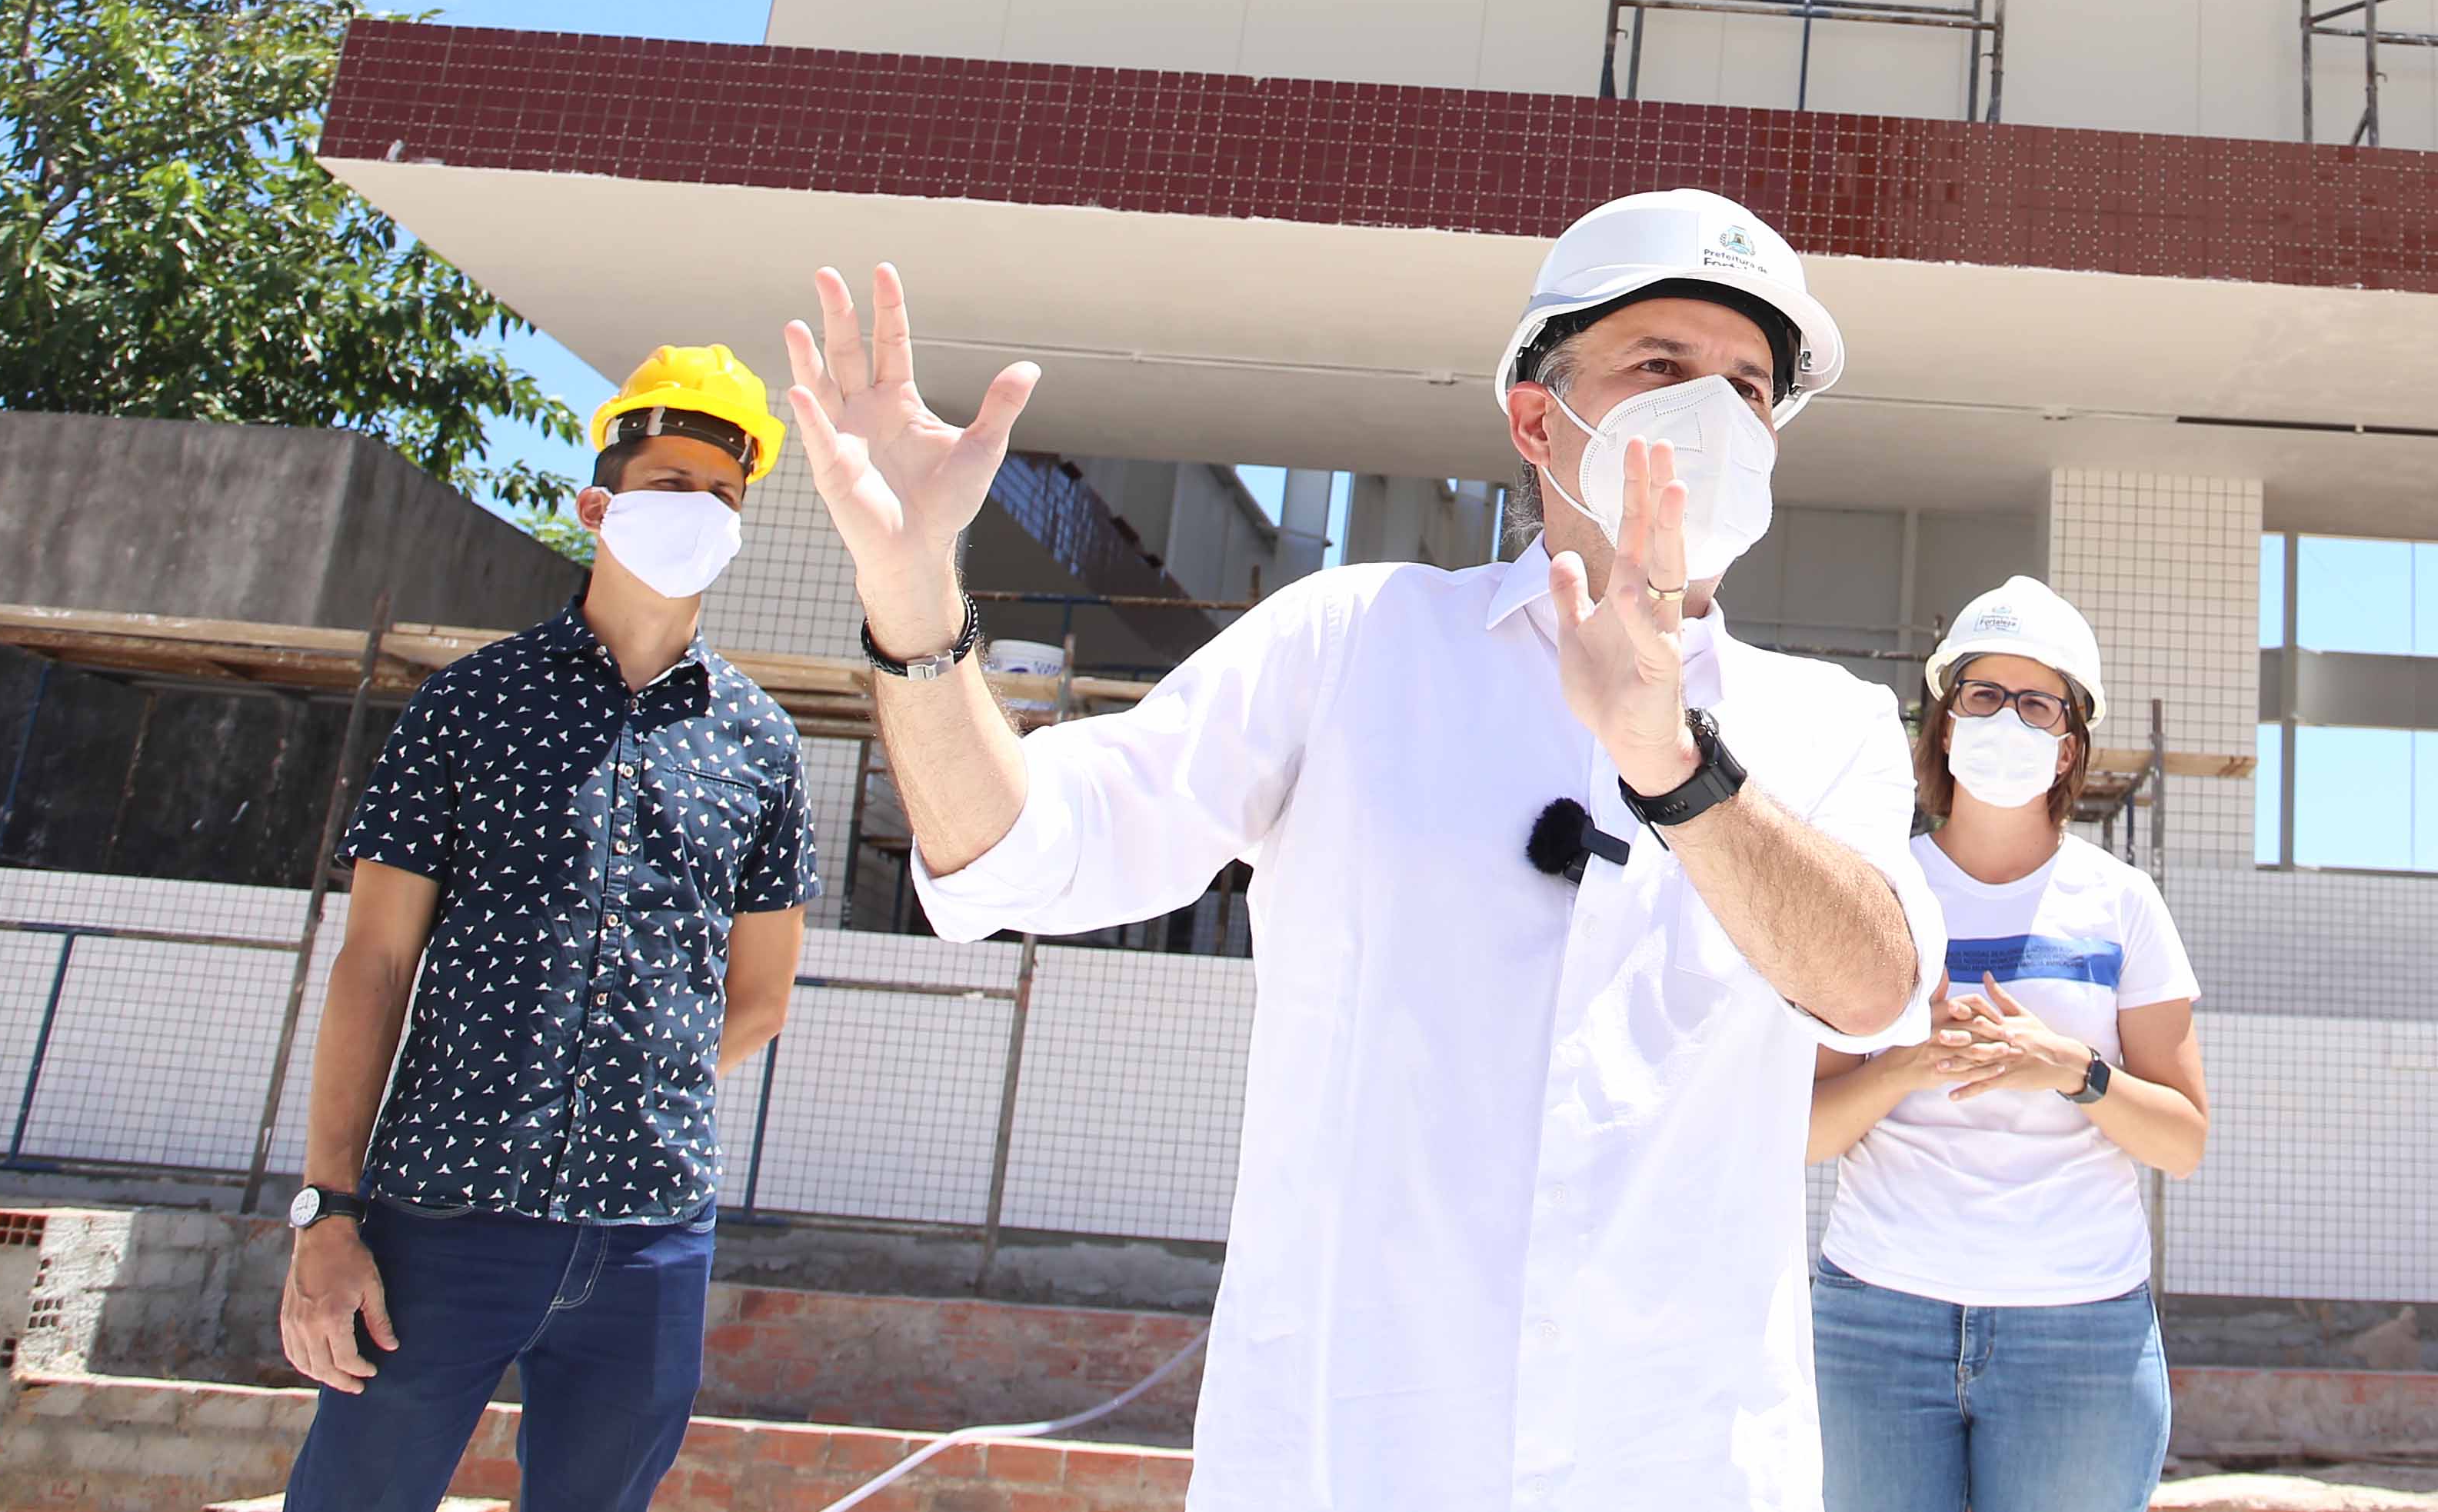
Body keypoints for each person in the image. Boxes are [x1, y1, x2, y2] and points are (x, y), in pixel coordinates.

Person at [785, 188, 1945, 1512]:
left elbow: (1872, 986)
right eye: (1661, 369)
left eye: (1749, 389)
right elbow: (1017, 850)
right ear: (1535, 416)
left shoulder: (1827, 725)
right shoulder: (1350, 643)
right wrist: (913, 594)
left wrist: (1677, 770)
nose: (1715, 416)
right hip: (1350, 1453)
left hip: (1677, 1458)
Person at [275, 346, 814, 1512]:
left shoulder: (760, 742)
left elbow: (762, 993)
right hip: (438, 1220)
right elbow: (374, 961)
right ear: (598, 503)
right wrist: (328, 1209)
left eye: (724, 494)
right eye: (671, 481)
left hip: (650, 1240)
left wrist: (631, 1081)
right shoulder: (469, 703)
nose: (699, 510)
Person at [1807, 577, 2210, 1512]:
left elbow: (2182, 1141)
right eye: (1984, 695)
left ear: (2069, 741)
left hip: (2080, 1342)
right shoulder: (1874, 891)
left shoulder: (2122, 904)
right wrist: (1911, 1055)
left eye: (2038, 703)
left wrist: (2068, 1068)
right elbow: (1808, 1129)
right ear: (1945, 724)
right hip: (1876, 1323)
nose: (2008, 719)